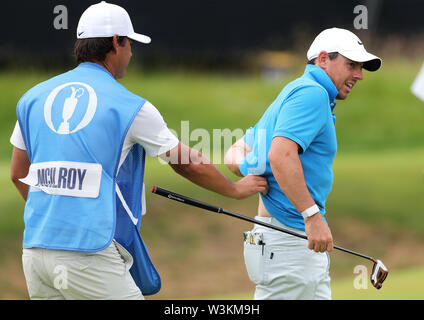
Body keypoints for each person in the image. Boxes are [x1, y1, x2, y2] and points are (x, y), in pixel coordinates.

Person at [9, 1, 268, 300]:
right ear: (117, 42)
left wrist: (57, 213)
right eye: (130, 43)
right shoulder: (130, 105)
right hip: (87, 252)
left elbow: (18, 174)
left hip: (36, 251)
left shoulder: (32, 98)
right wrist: (235, 189)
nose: (131, 53)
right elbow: (186, 162)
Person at [224, 27, 381, 300]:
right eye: (351, 65)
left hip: (285, 240)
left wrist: (253, 168)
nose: (359, 75)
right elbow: (281, 154)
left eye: (361, 67)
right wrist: (312, 216)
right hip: (289, 239)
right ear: (322, 59)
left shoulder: (294, 90)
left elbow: (235, 152)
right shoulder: (313, 94)